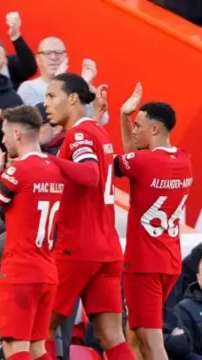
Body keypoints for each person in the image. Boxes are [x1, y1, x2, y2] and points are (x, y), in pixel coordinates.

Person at [43, 73, 133, 360]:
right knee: (111, 337)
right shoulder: (97, 131)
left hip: (77, 247)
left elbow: (90, 174)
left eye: (51, 96)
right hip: (106, 248)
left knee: (37, 328)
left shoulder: (79, 134)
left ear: (72, 99)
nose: (46, 104)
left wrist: (46, 159)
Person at [0, 105, 64, 360]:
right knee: (37, 348)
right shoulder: (54, 168)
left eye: (6, 134)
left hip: (19, 273)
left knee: (15, 350)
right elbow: (17, 207)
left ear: (18, 134)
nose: (4, 140)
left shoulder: (21, 170)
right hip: (46, 271)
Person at [114, 83, 192, 360]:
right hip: (169, 261)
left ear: (155, 129)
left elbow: (124, 162)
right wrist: (126, 119)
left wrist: (121, 117)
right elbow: (133, 160)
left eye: (138, 125)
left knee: (152, 341)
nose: (134, 130)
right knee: (135, 335)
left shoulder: (145, 163)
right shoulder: (184, 159)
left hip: (143, 264)